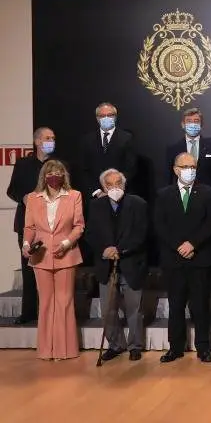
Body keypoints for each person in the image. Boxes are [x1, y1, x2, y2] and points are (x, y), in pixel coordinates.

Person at [154, 152, 211, 364]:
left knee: (200, 305)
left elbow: (210, 223)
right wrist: (178, 246)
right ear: (175, 169)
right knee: (176, 305)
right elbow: (160, 224)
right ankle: (175, 348)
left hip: (200, 258)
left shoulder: (208, 193)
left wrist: (193, 244)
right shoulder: (163, 194)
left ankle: (203, 347)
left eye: (193, 166)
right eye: (185, 166)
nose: (189, 170)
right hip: (173, 259)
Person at [21, 159, 84, 361]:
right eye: (50, 172)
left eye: (58, 172)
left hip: (66, 254)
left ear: (63, 175)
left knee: (64, 301)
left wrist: (66, 243)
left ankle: (66, 350)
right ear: (44, 176)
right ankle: (46, 350)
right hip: (41, 257)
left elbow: (78, 225)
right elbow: (29, 227)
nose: (54, 176)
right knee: (46, 302)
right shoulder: (33, 198)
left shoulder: (74, 195)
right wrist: (25, 245)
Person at [86, 168, 148, 362]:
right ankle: (116, 344)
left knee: (134, 309)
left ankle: (135, 346)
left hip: (131, 263)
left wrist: (120, 250)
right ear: (103, 187)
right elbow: (91, 234)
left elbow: (142, 233)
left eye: (118, 184)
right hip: (106, 266)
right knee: (108, 310)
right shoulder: (96, 206)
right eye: (110, 185)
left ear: (124, 185)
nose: (114, 188)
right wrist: (105, 250)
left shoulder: (138, 204)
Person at [7, 126, 57, 325]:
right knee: (28, 269)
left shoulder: (59, 165)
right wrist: (24, 197)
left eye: (53, 138)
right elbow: (12, 190)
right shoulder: (23, 164)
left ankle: (51, 312)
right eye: (47, 138)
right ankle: (28, 312)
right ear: (37, 141)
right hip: (27, 224)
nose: (51, 141)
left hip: (53, 225)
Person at [165, 107, 211, 219]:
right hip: (182, 200)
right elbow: (168, 178)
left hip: (208, 200)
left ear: (201, 124)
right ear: (183, 124)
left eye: (196, 121)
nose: (192, 124)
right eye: (189, 121)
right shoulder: (173, 149)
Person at [78, 102, 138, 202]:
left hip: (121, 196)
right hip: (95, 197)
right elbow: (84, 169)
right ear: (97, 118)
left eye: (110, 115)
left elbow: (130, 168)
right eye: (102, 116)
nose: (106, 118)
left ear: (115, 117)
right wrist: (97, 192)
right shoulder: (87, 140)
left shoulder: (127, 138)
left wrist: (116, 190)